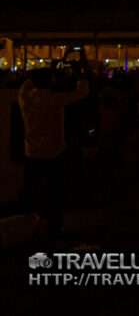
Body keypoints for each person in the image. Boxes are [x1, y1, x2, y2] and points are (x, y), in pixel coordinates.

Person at [18, 66, 89, 237]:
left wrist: (36, 75)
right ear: (50, 81)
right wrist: (80, 75)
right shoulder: (54, 99)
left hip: (32, 153)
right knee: (55, 193)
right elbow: (82, 92)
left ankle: (22, 226)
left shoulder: (25, 98)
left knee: (29, 192)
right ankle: (54, 227)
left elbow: (26, 85)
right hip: (54, 154)